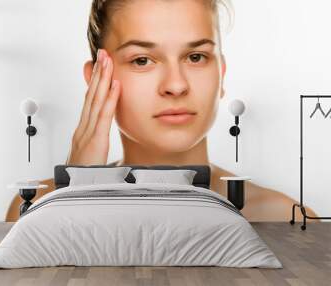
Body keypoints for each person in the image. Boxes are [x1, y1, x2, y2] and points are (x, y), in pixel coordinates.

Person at [65, 0, 316, 221]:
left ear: (221, 73)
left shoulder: (281, 215)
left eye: (196, 57)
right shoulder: (32, 208)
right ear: (96, 79)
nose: (176, 85)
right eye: (142, 60)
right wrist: (71, 195)